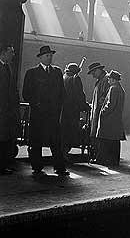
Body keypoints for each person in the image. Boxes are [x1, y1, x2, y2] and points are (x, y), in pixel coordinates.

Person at [22, 46, 69, 175]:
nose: (49, 58)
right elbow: (26, 93)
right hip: (38, 114)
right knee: (36, 141)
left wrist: (58, 108)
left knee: (56, 141)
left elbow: (62, 93)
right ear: (41, 57)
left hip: (53, 114)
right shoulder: (32, 73)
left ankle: (60, 168)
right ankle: (37, 167)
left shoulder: (57, 72)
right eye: (47, 56)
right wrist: (36, 104)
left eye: (51, 55)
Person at [95, 70, 126, 166]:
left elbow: (110, 104)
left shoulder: (113, 88)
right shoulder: (120, 89)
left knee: (104, 140)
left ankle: (102, 160)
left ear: (113, 80)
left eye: (109, 79)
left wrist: (103, 112)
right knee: (114, 141)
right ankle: (114, 160)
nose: (108, 80)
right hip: (116, 119)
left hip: (109, 119)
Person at [61, 62, 90, 155]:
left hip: (63, 109)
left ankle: (63, 149)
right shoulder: (75, 78)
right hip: (73, 110)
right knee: (71, 130)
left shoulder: (63, 77)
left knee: (64, 130)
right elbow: (79, 95)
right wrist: (84, 106)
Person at [0, 44, 20, 175]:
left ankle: (3, 165)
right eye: (11, 52)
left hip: (7, 111)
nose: (13, 54)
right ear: (3, 52)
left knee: (5, 138)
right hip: (1, 110)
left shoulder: (9, 68)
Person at [88, 62, 110, 161]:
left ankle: (100, 156)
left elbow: (105, 97)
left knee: (101, 134)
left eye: (93, 73)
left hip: (101, 112)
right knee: (98, 133)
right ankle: (98, 155)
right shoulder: (101, 80)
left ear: (98, 70)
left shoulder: (106, 79)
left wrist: (101, 108)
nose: (92, 75)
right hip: (97, 111)